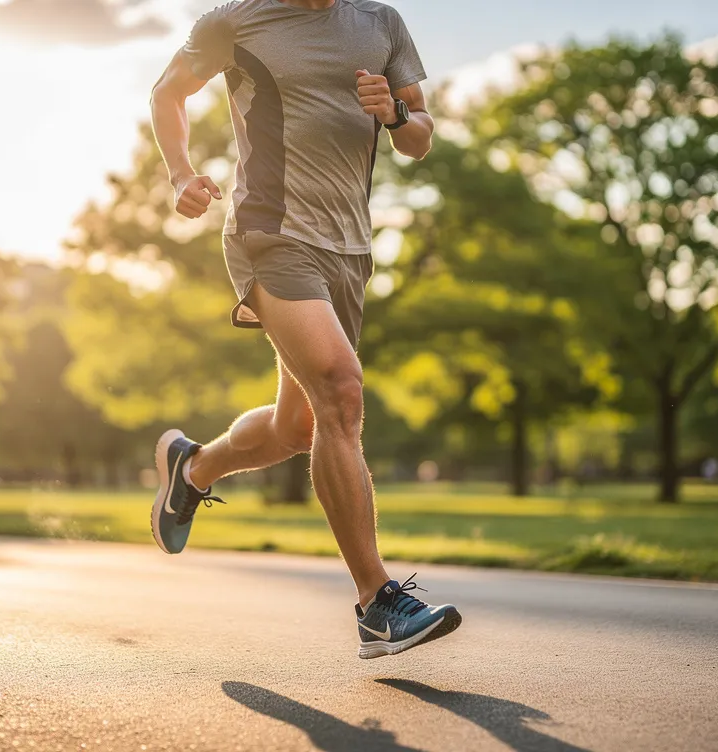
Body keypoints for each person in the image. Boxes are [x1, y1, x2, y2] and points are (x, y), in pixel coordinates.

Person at [147, 0, 460, 659]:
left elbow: (420, 138)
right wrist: (179, 174)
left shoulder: (381, 24)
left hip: (350, 249)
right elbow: (168, 91)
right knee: (342, 389)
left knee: (302, 428)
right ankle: (376, 602)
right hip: (271, 233)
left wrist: (397, 114)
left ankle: (193, 468)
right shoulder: (237, 21)